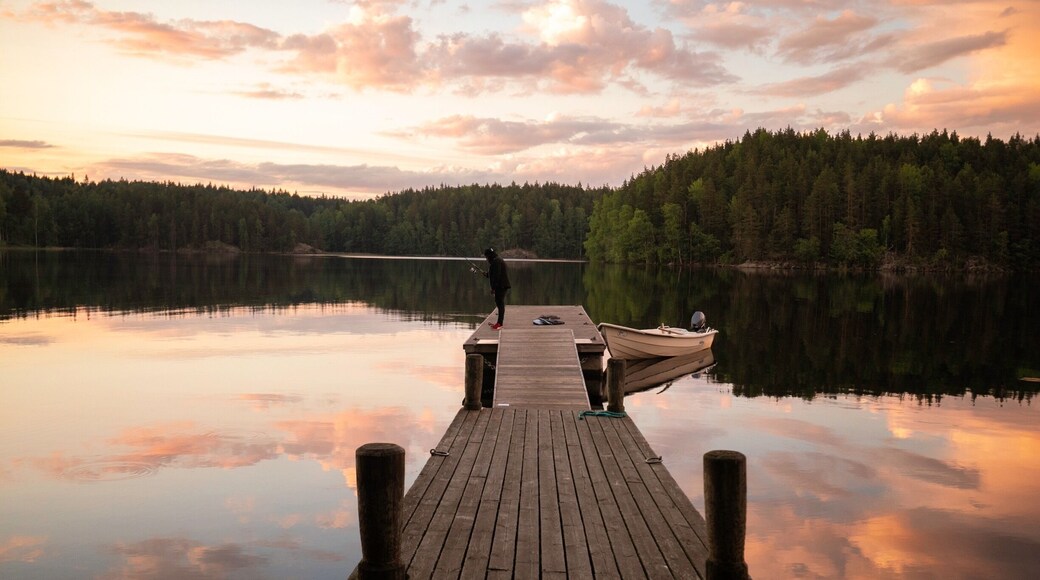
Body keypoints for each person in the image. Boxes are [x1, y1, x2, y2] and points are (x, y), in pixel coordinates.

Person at [483, 247, 510, 330]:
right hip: (501, 285)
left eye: (487, 257)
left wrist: (493, 288)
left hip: (501, 286)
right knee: (499, 303)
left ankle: (499, 323)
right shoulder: (497, 260)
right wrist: (486, 274)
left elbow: (497, 276)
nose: (487, 259)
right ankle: (499, 323)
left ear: (489, 255)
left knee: (500, 304)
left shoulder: (496, 262)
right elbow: (493, 273)